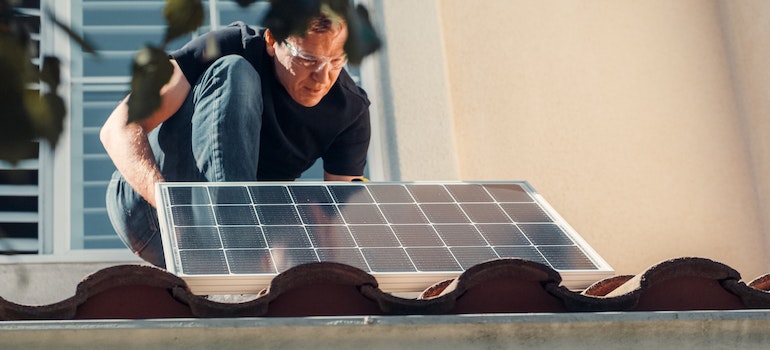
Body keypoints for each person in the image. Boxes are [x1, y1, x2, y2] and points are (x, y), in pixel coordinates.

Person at [100, 13, 371, 268]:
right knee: (234, 70)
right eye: (308, 59)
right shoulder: (229, 44)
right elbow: (117, 127)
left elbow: (335, 215)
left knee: (316, 203)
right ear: (272, 41)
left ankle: (240, 253)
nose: (322, 78)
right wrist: (169, 206)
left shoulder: (349, 110)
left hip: (236, 239)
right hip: (153, 216)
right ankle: (237, 249)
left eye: (336, 61)